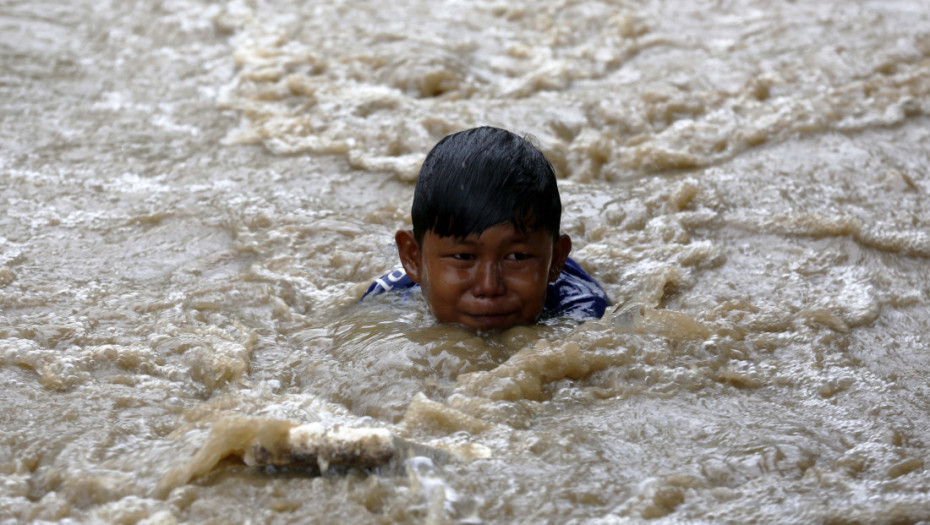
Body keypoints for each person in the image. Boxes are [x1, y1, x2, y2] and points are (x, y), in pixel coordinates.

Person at [363, 126, 609, 332]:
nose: (489, 287)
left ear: (555, 261)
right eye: (463, 257)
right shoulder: (387, 298)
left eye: (517, 257)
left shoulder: (584, 318)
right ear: (413, 259)